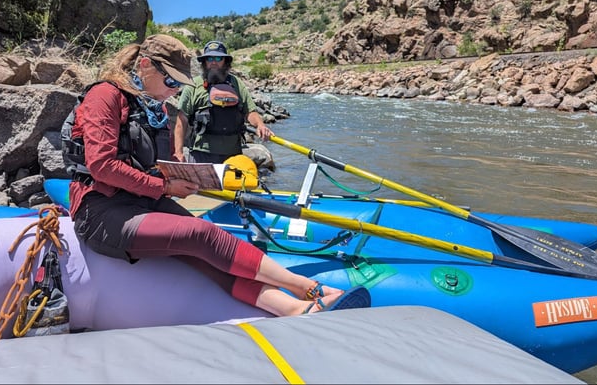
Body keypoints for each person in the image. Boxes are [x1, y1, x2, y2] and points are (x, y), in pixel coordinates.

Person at [65, 33, 370, 317]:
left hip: (142, 200)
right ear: (145, 66)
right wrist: (165, 185)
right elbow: (101, 165)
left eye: (179, 85)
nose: (174, 90)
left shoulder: (153, 109)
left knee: (206, 254)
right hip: (101, 212)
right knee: (201, 235)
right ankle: (303, 286)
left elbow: (157, 161)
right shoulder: (104, 96)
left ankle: (293, 310)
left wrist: (184, 176)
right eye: (171, 80)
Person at [173, 40, 273, 164]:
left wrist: (260, 125)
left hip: (233, 155)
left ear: (225, 61)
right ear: (204, 62)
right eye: (209, 58)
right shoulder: (193, 85)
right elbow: (181, 121)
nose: (213, 62)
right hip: (201, 154)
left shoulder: (237, 84)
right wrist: (178, 152)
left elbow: (250, 112)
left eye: (218, 58)